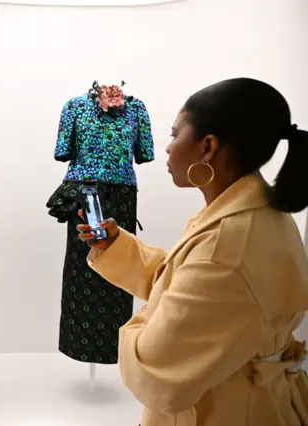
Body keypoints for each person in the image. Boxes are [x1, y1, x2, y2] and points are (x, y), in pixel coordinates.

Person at [77, 78, 308, 426]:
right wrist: (117, 248)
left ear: (208, 146)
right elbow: (184, 282)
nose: (168, 148)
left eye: (175, 134)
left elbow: (155, 367)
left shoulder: (229, 247)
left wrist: (145, 321)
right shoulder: (249, 213)